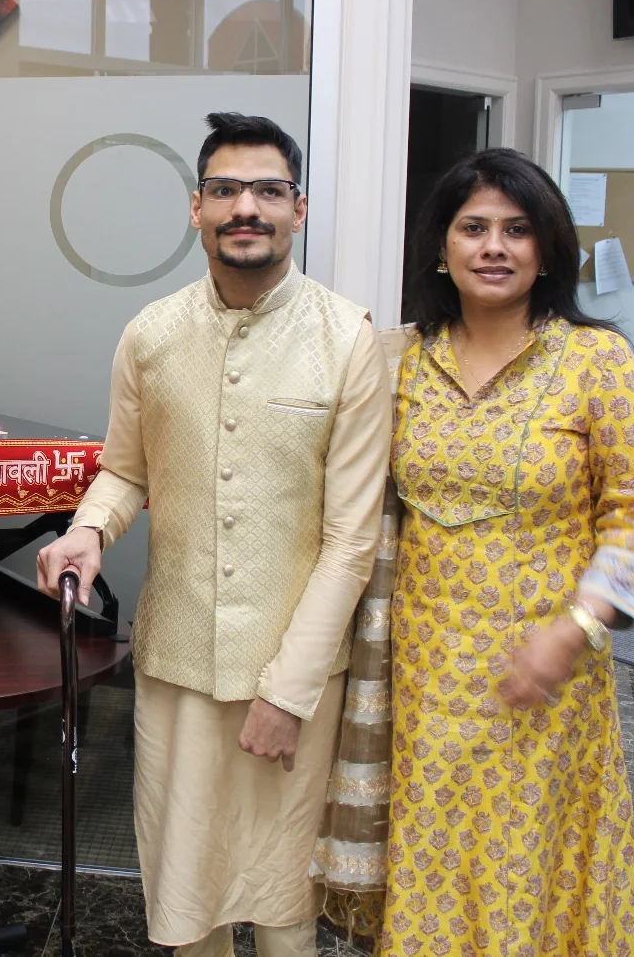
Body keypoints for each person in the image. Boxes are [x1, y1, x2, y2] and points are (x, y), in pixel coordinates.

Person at [37, 112, 392, 957]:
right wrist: (90, 528)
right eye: (226, 190)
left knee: (282, 896)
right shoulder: (150, 334)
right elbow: (127, 470)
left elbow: (350, 540)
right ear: (196, 208)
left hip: (295, 671)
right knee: (183, 885)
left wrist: (287, 693)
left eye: (268, 191)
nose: (246, 208)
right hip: (178, 665)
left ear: (298, 210)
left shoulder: (349, 340)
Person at [379, 148, 634, 956]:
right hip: (427, 675)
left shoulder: (595, 362)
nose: (494, 247)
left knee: (530, 868)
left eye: (517, 230)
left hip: (547, 677)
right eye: (473, 228)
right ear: (442, 248)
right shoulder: (404, 360)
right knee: (437, 864)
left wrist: (576, 629)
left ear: (547, 249)